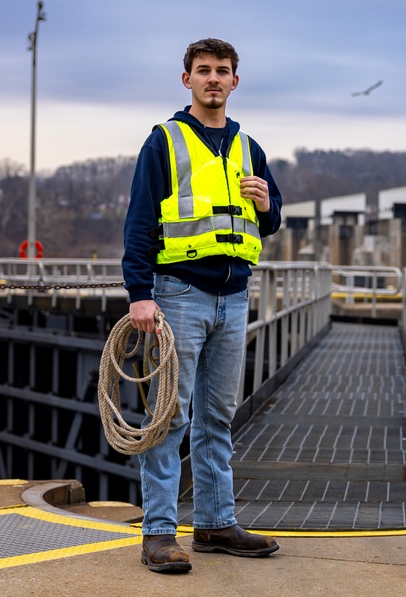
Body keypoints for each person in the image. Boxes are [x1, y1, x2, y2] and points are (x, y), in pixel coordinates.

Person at [122, 38, 283, 573]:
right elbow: (141, 223)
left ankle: (215, 522)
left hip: (234, 298)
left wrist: (268, 204)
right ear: (186, 78)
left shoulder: (248, 146)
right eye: (203, 70)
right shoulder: (163, 142)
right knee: (168, 415)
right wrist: (140, 295)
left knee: (217, 417)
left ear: (235, 81)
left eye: (223, 71)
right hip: (179, 296)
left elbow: (271, 217)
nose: (213, 79)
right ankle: (160, 533)